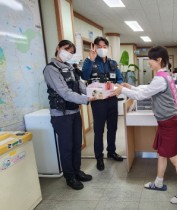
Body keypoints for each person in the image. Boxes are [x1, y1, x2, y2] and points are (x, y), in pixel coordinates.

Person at [114, 46, 177, 204]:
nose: (148, 62)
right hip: (166, 122)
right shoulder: (165, 76)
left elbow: (143, 94)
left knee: (176, 160)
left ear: (159, 60)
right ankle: (158, 182)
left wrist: (123, 90)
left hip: (169, 124)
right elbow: (148, 90)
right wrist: (130, 88)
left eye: (150, 59)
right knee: (162, 154)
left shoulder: (160, 78)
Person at [43, 40, 93, 190]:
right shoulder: (51, 69)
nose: (68, 53)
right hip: (61, 115)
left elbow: (81, 87)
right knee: (66, 147)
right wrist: (88, 99)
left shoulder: (70, 67)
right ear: (58, 48)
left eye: (71, 52)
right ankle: (69, 177)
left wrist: (97, 93)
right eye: (66, 49)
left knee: (77, 144)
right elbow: (64, 92)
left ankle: (77, 171)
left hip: (74, 112)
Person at [82, 36, 124, 171]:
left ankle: (111, 152)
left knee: (112, 128)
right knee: (99, 131)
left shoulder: (113, 63)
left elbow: (120, 78)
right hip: (98, 101)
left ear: (108, 48)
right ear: (94, 47)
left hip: (112, 99)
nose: (102, 49)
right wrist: (91, 59)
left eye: (104, 47)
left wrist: (119, 88)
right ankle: (99, 158)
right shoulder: (90, 61)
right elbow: (84, 77)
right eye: (99, 47)